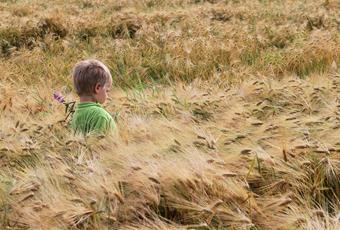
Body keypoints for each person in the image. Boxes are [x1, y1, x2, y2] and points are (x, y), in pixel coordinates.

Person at [70, 59, 116, 135]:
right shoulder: (100, 116)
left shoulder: (76, 114)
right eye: (107, 91)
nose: (107, 96)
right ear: (97, 88)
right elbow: (98, 145)